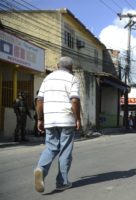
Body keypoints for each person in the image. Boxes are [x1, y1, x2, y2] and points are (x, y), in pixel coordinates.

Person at [34, 56, 81, 193]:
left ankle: (41, 170)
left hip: (50, 119)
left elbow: (39, 100)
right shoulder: (72, 79)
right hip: (66, 119)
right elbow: (74, 101)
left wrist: (40, 119)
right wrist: (77, 119)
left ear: (57, 65)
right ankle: (62, 182)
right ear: (71, 68)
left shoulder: (47, 79)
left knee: (51, 147)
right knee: (65, 150)